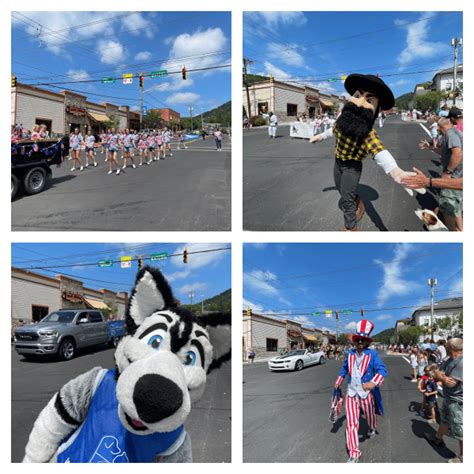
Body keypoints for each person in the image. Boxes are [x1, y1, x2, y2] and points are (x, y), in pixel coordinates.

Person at [309, 74, 425, 231]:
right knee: (341, 189)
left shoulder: (367, 132)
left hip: (352, 166)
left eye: (369, 100)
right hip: (337, 162)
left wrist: (395, 171)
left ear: (375, 110)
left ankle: (350, 228)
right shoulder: (342, 121)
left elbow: (378, 150)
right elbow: (333, 130)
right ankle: (358, 201)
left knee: (346, 199)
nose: (360, 102)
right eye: (357, 96)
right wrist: (320, 136)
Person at [334, 320, 387, 463]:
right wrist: (339, 380)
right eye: (358, 340)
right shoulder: (350, 354)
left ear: (367, 342)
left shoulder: (373, 354)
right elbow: (344, 369)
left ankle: (372, 427)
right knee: (351, 423)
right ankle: (354, 453)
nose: (360, 342)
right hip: (351, 393)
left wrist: (373, 382)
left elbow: (382, 370)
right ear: (355, 340)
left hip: (366, 394)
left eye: (363, 340)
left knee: (370, 417)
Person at [418, 117, 463, 231]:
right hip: (457, 176)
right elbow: (443, 152)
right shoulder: (452, 132)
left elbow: (458, 154)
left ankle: (452, 232)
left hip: (453, 177)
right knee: (455, 206)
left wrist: (448, 172)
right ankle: (460, 229)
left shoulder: (450, 134)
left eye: (437, 128)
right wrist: (430, 147)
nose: (437, 130)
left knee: (448, 208)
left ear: (439, 127)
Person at [425, 338, 463, 463]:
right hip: (449, 398)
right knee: (445, 420)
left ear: (451, 348)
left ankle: (463, 457)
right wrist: (440, 375)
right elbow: (438, 374)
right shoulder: (449, 359)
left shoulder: (462, 362)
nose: (443, 346)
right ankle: (438, 438)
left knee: (461, 429)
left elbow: (451, 384)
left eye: (446, 345)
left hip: (458, 402)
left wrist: (440, 375)